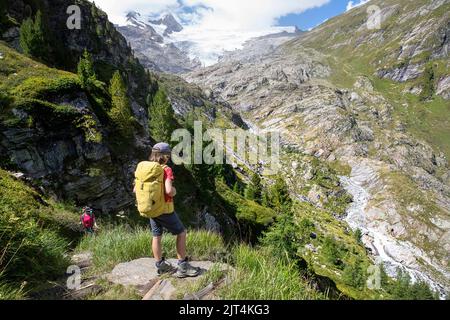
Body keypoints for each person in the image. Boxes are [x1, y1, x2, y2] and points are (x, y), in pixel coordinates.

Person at [143, 142, 200, 278]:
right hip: (164, 209)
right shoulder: (166, 169)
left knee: (156, 236)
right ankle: (183, 266)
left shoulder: (146, 168)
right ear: (165, 156)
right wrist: (174, 191)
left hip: (151, 208)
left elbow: (135, 189)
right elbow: (169, 190)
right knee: (181, 232)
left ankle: (161, 265)